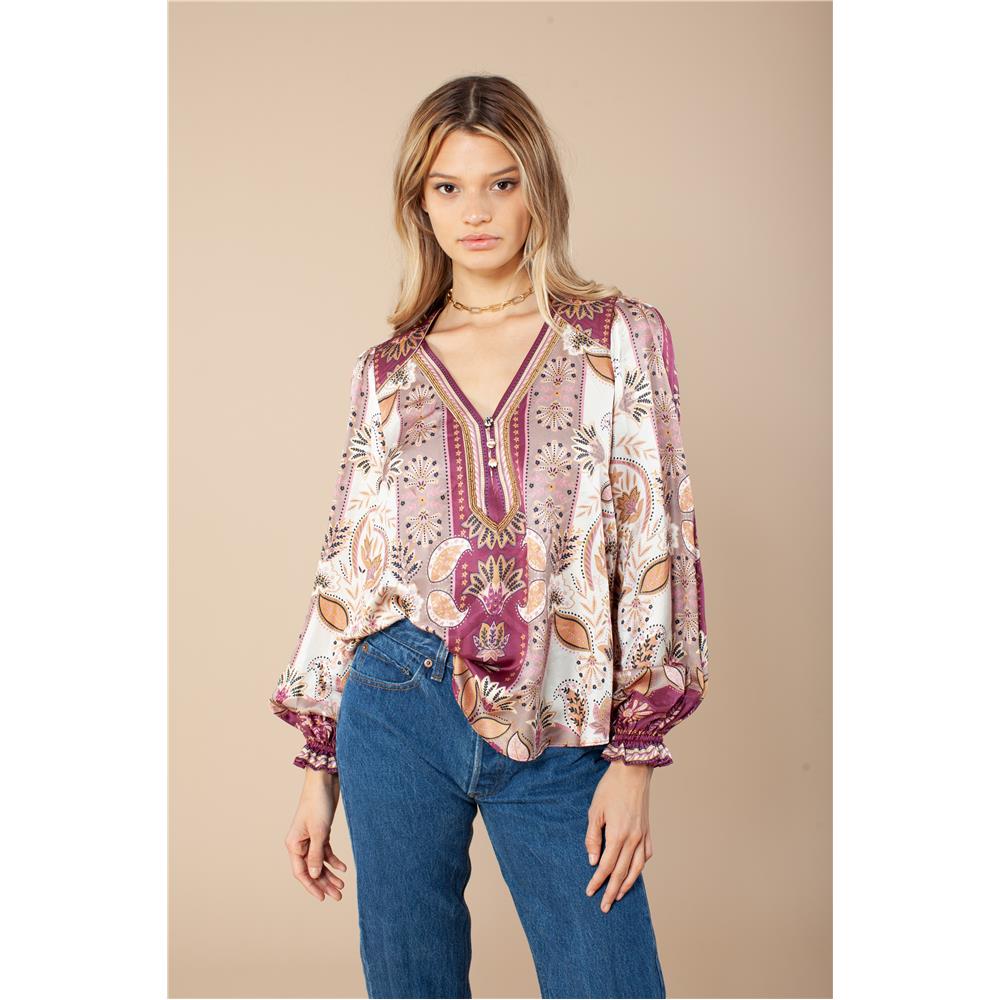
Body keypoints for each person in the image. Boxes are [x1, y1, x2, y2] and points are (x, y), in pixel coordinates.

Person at [268, 74, 709, 1000]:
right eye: (449, 187)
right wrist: (319, 766)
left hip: (560, 713)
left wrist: (634, 758)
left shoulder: (615, 339)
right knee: (412, 985)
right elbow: (351, 561)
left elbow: (655, 540)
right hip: (396, 700)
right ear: (420, 204)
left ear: (537, 190)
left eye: (500, 183)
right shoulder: (389, 370)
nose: (475, 212)